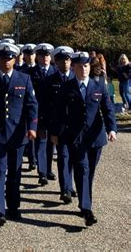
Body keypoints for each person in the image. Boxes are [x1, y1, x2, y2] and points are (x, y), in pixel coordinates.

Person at [51, 52, 117, 226]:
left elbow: (108, 108)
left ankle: (84, 201)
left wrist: (112, 129)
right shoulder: (67, 87)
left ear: (89, 67)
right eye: (79, 66)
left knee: (90, 173)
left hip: (96, 138)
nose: (83, 69)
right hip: (76, 138)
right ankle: (86, 209)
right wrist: (56, 133)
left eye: (86, 66)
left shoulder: (99, 85)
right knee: (82, 170)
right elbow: (58, 112)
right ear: (74, 67)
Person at [0, 42, 38, 229]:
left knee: (15, 173)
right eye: (3, 58)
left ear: (15, 59)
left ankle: (13, 206)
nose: (6, 61)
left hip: (18, 135)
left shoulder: (24, 79)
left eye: (10, 58)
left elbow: (32, 105)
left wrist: (32, 127)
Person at [46, 46, 76, 204]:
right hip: (58, 127)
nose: (65, 63)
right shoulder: (50, 80)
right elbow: (45, 105)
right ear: (55, 62)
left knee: (74, 158)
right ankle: (65, 189)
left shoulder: (76, 78)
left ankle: (70, 186)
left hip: (76, 128)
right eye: (61, 60)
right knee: (63, 157)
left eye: (67, 60)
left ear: (71, 61)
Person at [27, 43, 57, 185]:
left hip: (53, 113)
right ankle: (42, 172)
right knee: (41, 143)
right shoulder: (30, 73)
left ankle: (49, 169)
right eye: (42, 55)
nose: (45, 58)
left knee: (52, 143)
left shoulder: (55, 72)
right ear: (37, 57)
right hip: (38, 113)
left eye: (47, 55)